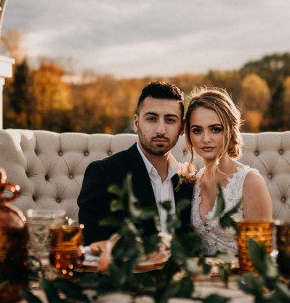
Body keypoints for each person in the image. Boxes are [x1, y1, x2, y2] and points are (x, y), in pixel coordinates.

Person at [77, 81, 193, 245]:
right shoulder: (103, 174)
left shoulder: (188, 182)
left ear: (182, 127)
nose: (160, 129)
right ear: (136, 123)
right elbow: (92, 242)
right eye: (152, 119)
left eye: (170, 120)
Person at [185, 87, 272, 255]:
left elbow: (261, 255)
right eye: (197, 130)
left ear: (230, 131)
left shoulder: (250, 182)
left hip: (241, 277)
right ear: (189, 135)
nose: (206, 139)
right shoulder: (193, 181)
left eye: (215, 129)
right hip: (201, 277)